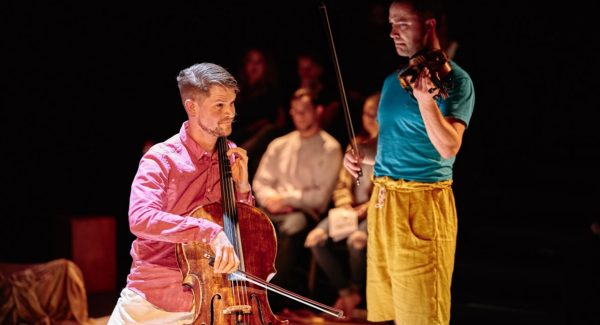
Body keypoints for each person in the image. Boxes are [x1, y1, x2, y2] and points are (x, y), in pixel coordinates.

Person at [343, 1, 475, 324]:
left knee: (421, 314)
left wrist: (427, 103)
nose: (392, 33)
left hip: (423, 204)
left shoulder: (456, 82)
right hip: (384, 204)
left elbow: (448, 147)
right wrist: (361, 151)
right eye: (390, 24)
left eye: (401, 23)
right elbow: (387, 142)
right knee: (386, 310)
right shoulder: (393, 81)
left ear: (428, 25)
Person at [107, 62, 252, 325]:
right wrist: (209, 231)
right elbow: (140, 219)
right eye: (220, 105)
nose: (230, 112)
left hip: (218, 298)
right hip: (157, 298)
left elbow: (245, 232)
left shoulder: (229, 155)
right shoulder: (161, 159)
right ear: (192, 107)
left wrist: (242, 190)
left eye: (232, 104)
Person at [252, 87, 343, 313]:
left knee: (293, 227)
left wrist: (286, 198)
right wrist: (271, 199)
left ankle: (270, 297)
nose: (299, 116)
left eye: (304, 111)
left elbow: (321, 195)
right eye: (295, 111)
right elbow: (260, 182)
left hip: (305, 213)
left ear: (318, 111)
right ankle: (243, 289)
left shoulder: (330, 148)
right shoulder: (280, 144)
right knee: (244, 222)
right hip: (271, 207)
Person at [304, 91, 380, 321]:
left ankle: (356, 289)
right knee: (314, 239)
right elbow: (341, 184)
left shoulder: (388, 147)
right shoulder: (356, 143)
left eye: (375, 113)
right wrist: (346, 206)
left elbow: (383, 191)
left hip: (373, 211)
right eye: (366, 113)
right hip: (350, 209)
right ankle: (347, 293)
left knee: (357, 241)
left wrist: (362, 211)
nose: (369, 117)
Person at [228, 46, 287, 183]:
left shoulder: (273, 92)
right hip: (237, 137)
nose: (254, 66)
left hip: (264, 141)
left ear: (266, 66)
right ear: (244, 64)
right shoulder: (234, 91)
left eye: (259, 62)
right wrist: (251, 128)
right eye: (250, 61)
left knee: (266, 137)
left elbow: (277, 125)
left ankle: (235, 159)